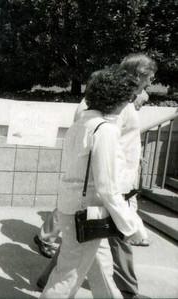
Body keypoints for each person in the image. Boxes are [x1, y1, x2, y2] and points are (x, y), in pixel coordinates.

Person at [37, 54, 157, 299]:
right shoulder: (106, 130)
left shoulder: (83, 124)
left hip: (74, 208)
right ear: (116, 99)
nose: (129, 103)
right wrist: (132, 226)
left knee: (96, 266)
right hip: (90, 210)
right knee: (67, 278)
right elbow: (107, 188)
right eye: (127, 98)